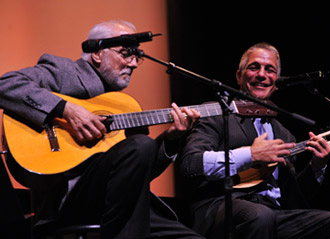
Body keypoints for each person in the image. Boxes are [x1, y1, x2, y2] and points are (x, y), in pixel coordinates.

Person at [0, 19, 205, 239]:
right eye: (126, 53)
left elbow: (139, 170)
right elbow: (6, 84)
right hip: (71, 197)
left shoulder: (125, 105)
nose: (134, 63)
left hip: (124, 202)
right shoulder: (66, 71)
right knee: (140, 143)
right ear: (97, 54)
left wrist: (171, 139)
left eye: (137, 56)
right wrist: (67, 110)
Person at [178, 42, 330, 238]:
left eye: (269, 70)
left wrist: (317, 167)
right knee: (259, 216)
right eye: (254, 67)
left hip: (275, 214)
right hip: (222, 207)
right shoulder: (215, 113)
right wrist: (250, 154)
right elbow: (190, 164)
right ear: (239, 76)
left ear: (277, 82)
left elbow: (294, 198)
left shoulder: (284, 134)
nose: (262, 74)